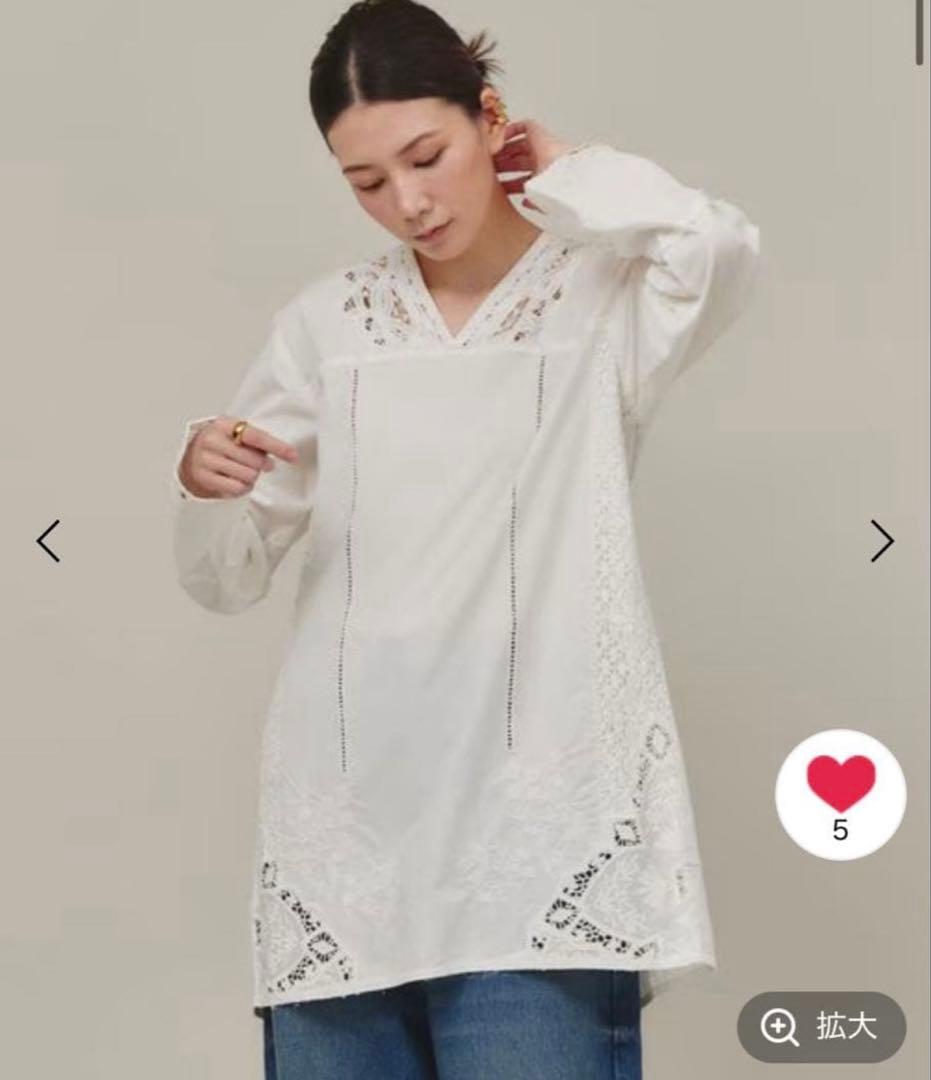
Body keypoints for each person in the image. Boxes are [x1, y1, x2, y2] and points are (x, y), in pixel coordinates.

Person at [169, 0, 761, 1076]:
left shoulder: (599, 299)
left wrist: (571, 171)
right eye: (365, 181)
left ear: (490, 119)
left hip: (536, 846)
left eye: (426, 156)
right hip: (346, 843)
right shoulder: (328, 326)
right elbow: (230, 574)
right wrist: (208, 485)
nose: (406, 202)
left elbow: (715, 244)